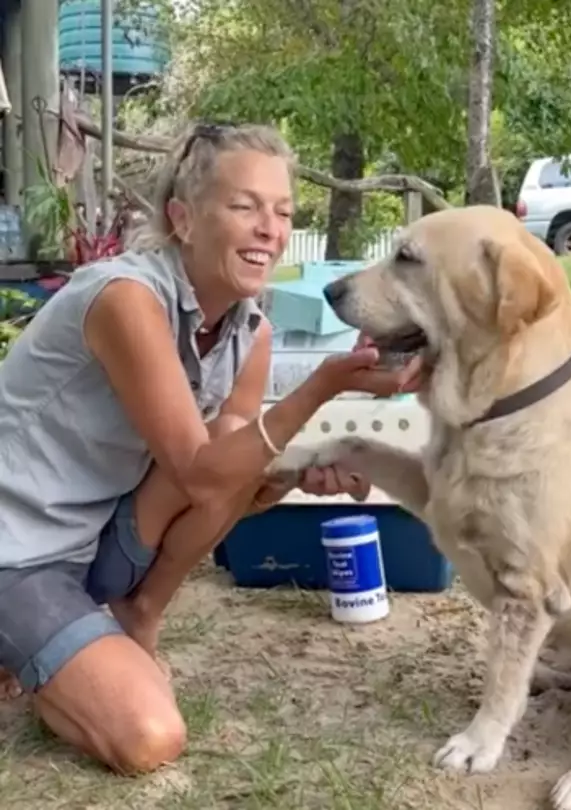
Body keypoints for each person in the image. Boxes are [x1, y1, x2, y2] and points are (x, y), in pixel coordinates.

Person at [0, 121, 419, 774]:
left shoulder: (250, 335)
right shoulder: (125, 299)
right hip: (19, 552)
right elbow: (197, 475)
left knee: (234, 437)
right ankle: (46, 664)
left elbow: (232, 481)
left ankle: (137, 616)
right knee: (148, 738)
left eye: (282, 213)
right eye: (245, 206)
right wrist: (320, 389)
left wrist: (294, 475)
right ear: (184, 219)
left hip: (99, 542)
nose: (270, 230)